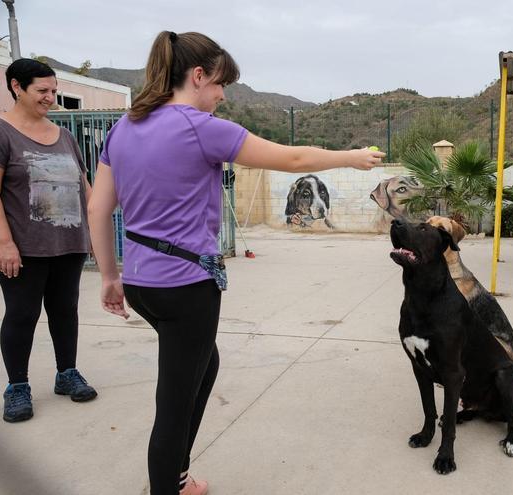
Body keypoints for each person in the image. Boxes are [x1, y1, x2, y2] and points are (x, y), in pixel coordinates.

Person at [87, 31, 383, 495]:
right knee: (174, 404)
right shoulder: (198, 126)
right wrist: (353, 157)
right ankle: (170, 485)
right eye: (221, 84)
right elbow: (293, 157)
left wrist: (109, 276)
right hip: (186, 287)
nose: (223, 95)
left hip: (143, 281)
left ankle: (175, 474)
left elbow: (97, 209)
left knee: (204, 366)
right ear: (198, 76)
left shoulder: (125, 126)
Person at [0, 58, 98, 423]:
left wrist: (96, 228)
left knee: (65, 310)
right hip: (20, 246)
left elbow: (84, 189)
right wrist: (5, 243)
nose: (50, 98)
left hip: (67, 243)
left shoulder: (65, 136)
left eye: (54, 90)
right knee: (22, 313)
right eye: (42, 91)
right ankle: (17, 387)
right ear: (16, 87)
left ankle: (67, 374)